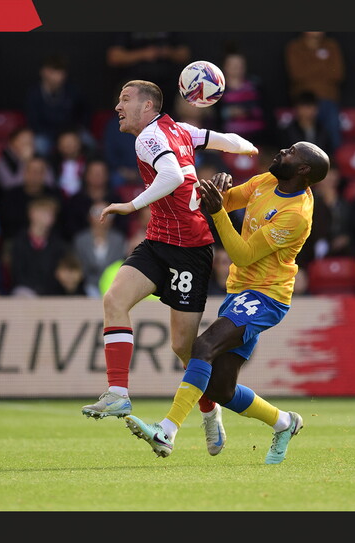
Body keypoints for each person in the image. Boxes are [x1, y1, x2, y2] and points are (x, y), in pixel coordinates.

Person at [81, 79, 259, 457]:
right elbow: (226, 140)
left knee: (184, 349)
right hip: (158, 242)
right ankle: (117, 393)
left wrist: (128, 206)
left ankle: (211, 415)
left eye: (125, 99)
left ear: (148, 106)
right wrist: (248, 148)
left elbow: (173, 176)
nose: (117, 106)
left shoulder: (147, 137)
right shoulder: (183, 131)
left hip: (191, 250)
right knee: (114, 299)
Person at [123, 141, 330, 464]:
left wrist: (218, 210)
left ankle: (166, 431)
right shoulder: (267, 181)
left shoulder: (296, 216)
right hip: (241, 290)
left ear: (303, 170)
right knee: (221, 389)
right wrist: (216, 191)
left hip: (267, 296)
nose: (281, 151)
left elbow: (242, 254)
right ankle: (284, 422)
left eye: (290, 152)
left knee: (202, 346)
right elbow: (226, 201)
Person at [284, 32, 345, 151]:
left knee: (333, 136)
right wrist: (322, 66)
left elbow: (338, 74)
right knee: (296, 142)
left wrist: (310, 65)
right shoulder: (295, 47)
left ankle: (332, 163)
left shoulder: (331, 46)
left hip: (328, 100)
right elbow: (296, 74)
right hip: (303, 99)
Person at [9, 196, 71, 297]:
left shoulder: (57, 243)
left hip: (51, 293)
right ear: (32, 214)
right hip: (26, 291)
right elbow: (17, 274)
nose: (50, 216)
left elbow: (59, 273)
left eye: (52, 213)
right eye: (46, 212)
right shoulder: (20, 241)